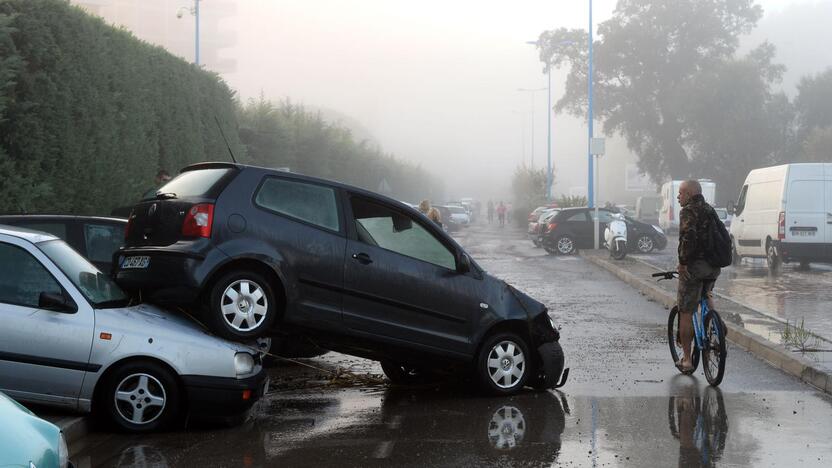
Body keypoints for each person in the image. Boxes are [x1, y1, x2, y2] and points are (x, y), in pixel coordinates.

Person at [676, 180, 720, 374]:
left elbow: (688, 238)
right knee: (706, 293)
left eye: (680, 193)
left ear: (688, 194)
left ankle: (686, 359)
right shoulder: (710, 209)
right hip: (714, 267)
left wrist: (683, 262)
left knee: (685, 310)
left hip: (695, 268)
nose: (678, 197)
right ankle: (718, 324)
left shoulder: (688, 211)